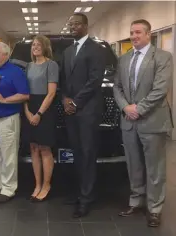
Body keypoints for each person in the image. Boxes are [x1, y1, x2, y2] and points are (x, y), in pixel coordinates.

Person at [113, 19, 173, 227]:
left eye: (138, 32)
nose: (134, 36)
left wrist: (138, 108)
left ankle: (154, 208)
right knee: (134, 164)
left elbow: (160, 89)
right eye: (132, 32)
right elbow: (117, 87)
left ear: (149, 34)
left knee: (155, 167)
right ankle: (136, 201)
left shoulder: (163, 57)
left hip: (152, 121)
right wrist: (125, 107)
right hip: (129, 121)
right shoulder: (124, 58)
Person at [60, 13, 105, 217]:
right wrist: (64, 99)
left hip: (87, 111)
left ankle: (87, 198)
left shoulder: (96, 49)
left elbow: (95, 81)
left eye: (77, 24)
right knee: (76, 153)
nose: (73, 27)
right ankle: (79, 192)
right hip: (70, 112)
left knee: (87, 154)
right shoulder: (68, 51)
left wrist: (76, 102)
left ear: (86, 26)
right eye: (70, 24)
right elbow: (63, 80)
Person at [0, 42, 30, 204]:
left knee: (8, 156)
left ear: (6, 55)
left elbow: (24, 95)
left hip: (7, 119)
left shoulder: (15, 72)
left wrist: (4, 100)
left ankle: (8, 189)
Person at [24, 35, 59, 202]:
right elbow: (24, 92)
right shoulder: (28, 66)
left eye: (38, 45)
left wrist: (39, 114)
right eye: (33, 45)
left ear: (45, 47)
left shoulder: (51, 65)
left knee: (45, 149)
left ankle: (46, 185)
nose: (35, 47)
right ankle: (37, 185)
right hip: (29, 107)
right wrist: (27, 112)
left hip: (44, 109)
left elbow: (51, 93)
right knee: (33, 149)